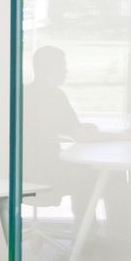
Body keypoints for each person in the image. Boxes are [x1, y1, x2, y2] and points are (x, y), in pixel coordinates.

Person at [24, 42, 83, 208]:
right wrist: (120, 136)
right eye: (62, 66)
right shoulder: (52, 96)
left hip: (27, 169)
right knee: (98, 175)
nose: (66, 71)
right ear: (49, 68)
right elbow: (77, 132)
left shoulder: (25, 92)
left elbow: (68, 127)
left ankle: (84, 231)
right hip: (45, 171)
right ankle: (87, 232)